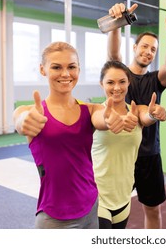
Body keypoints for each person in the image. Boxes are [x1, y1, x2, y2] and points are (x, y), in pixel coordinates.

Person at [13, 41, 122, 229]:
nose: (65, 74)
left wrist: (109, 119)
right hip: (53, 217)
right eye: (56, 67)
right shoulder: (31, 112)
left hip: (90, 207)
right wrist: (24, 122)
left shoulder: (90, 109)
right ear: (42, 69)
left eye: (71, 67)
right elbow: (20, 121)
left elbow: (101, 119)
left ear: (78, 70)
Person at [106, 3, 166, 228]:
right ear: (134, 47)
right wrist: (116, 23)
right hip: (121, 154)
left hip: (149, 155)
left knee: (153, 211)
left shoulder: (156, 80)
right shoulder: (122, 75)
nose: (148, 52)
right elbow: (113, 54)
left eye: (153, 50)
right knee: (114, 211)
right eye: (145, 46)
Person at [91, 60, 166, 229]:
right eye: (110, 82)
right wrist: (108, 120)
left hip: (124, 195)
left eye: (122, 82)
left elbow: (146, 117)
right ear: (101, 84)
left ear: (128, 83)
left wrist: (154, 114)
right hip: (98, 195)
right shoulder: (95, 110)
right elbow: (99, 120)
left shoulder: (136, 110)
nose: (117, 88)